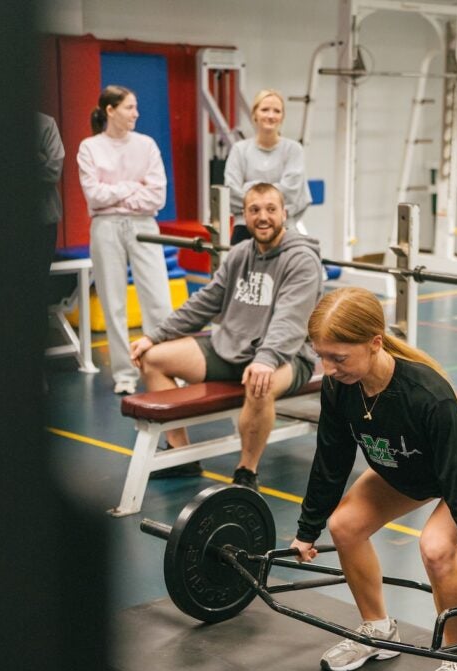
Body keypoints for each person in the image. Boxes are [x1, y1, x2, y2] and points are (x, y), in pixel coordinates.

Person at [290, 287, 457, 671]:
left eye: (339, 358)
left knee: (435, 547)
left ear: (375, 343)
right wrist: (309, 527)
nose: (328, 368)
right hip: (407, 464)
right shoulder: (340, 388)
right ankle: (378, 631)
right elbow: (331, 459)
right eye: (322, 356)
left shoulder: (425, 395)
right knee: (344, 527)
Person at [129, 183, 322, 490]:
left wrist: (265, 361)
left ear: (285, 213)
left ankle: (247, 471)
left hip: (287, 356)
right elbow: (207, 300)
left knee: (262, 384)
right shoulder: (241, 253)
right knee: (152, 358)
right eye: (254, 210)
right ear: (243, 216)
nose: (263, 217)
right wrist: (155, 336)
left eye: (271, 209)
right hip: (230, 347)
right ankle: (182, 457)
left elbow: (290, 322)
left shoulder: (301, 260)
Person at [77, 85, 173, 395]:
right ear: (110, 110)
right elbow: (94, 195)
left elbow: (157, 196)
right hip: (105, 227)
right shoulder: (89, 148)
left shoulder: (146, 145)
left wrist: (115, 192)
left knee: (158, 299)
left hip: (144, 225)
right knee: (113, 302)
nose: (136, 114)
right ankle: (124, 374)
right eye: (130, 107)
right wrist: (133, 187)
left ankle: (166, 366)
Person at [224, 89, 311, 244]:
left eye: (276, 111)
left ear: (282, 117)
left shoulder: (294, 150)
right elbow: (231, 193)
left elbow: (290, 193)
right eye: (265, 110)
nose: (270, 116)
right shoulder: (239, 150)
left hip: (283, 228)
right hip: (245, 228)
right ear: (254, 115)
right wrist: (275, 193)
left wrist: (250, 188)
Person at [37, 112, 64, 278]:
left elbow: (53, 171)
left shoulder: (45, 123)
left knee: (38, 278)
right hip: (1, 222)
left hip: (43, 220)